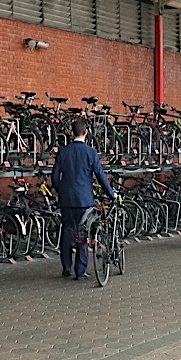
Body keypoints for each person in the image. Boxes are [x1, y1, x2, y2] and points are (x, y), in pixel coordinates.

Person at [51, 118, 115, 280]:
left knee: (66, 231)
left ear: (72, 133)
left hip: (66, 200)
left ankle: (66, 267)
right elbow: (100, 175)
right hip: (84, 200)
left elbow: (54, 176)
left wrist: (60, 190)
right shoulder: (91, 152)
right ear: (86, 132)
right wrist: (110, 193)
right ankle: (80, 270)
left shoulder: (63, 151)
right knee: (83, 233)